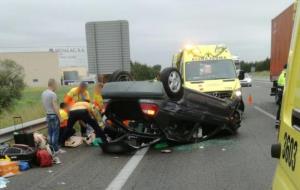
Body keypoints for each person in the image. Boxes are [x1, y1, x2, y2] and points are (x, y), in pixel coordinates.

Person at [41, 79, 62, 164]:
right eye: (56, 85)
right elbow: (55, 106)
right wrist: (60, 117)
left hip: (48, 115)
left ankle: (50, 150)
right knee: (55, 134)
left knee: (50, 134)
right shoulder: (53, 94)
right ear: (53, 85)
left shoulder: (43, 93)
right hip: (54, 115)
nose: (57, 86)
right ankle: (55, 152)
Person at [275, 64, 287, 128]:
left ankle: (277, 123)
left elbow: (278, 85)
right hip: (286, 95)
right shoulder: (288, 74)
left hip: (280, 94)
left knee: (280, 108)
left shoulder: (281, 75)